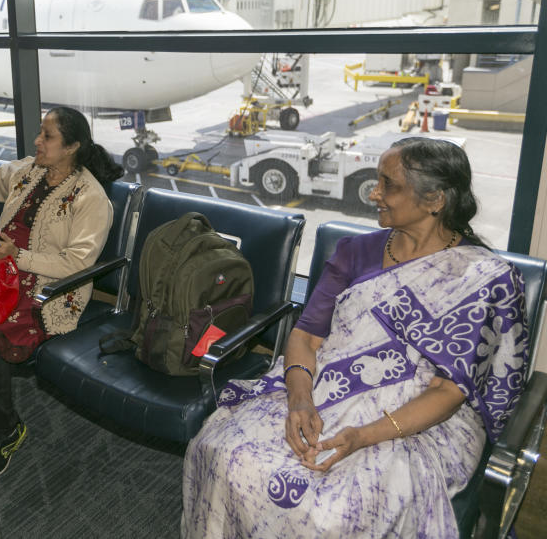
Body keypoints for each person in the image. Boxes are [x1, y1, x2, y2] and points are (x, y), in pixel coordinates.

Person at [181, 137, 529, 538]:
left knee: (339, 509)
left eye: (389, 185)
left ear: (435, 199)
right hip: (325, 384)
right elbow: (307, 337)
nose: (374, 193)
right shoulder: (354, 252)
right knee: (221, 450)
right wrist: (299, 401)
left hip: (419, 418)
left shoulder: (483, 279)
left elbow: (449, 390)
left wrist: (364, 436)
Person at [0, 106, 123, 476]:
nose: (37, 141)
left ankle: (6, 428)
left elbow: (77, 263)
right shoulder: (29, 170)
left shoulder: (90, 197)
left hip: (51, 291)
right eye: (40, 133)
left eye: (47, 136)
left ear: (71, 146)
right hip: (2, 273)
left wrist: (18, 256)